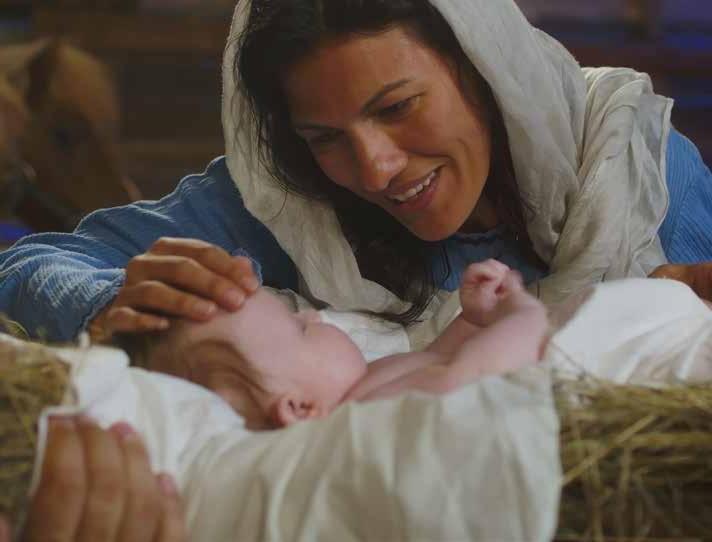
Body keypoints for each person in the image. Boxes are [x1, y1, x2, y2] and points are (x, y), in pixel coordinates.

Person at [2, 0, 712, 538]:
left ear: (484, 67)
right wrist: (116, 304)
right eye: (324, 137)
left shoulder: (637, 171)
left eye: (397, 107)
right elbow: (31, 261)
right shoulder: (282, 201)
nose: (374, 168)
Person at [121, 259, 547, 429]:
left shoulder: (367, 384)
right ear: (299, 408)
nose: (311, 315)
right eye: (299, 329)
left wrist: (473, 319)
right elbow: (467, 377)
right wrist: (524, 316)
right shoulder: (362, 417)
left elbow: (437, 357)